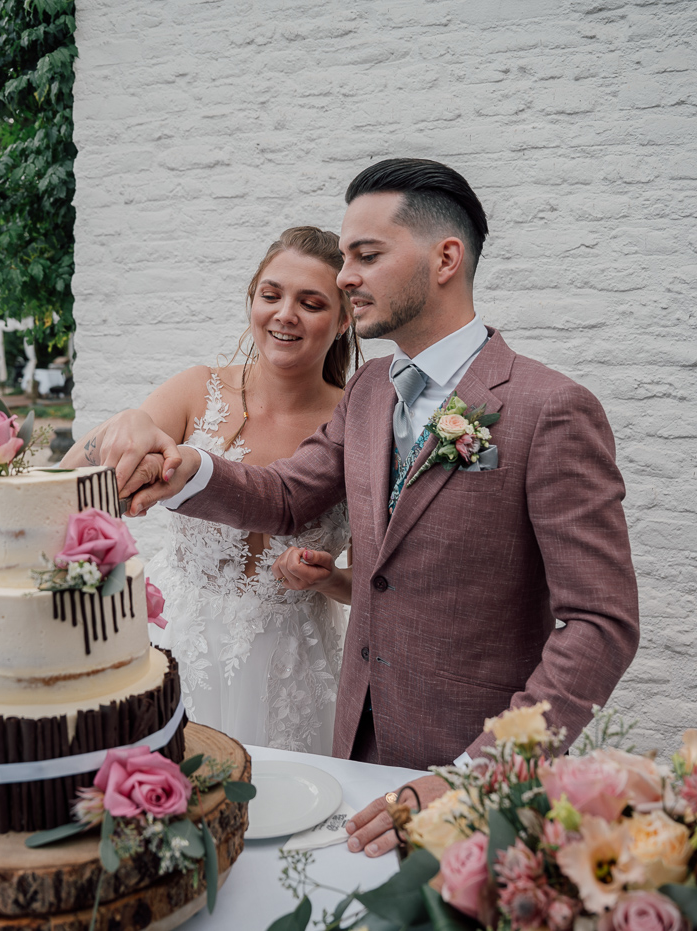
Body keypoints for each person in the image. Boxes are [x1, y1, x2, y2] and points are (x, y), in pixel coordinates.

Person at [91, 158, 640, 859]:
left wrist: (477, 776)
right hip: (351, 748)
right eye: (345, 256)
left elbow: (601, 623)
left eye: (366, 255)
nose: (345, 275)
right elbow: (287, 495)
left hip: (468, 770)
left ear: (446, 258)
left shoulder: (551, 409)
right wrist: (182, 463)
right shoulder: (372, 388)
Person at [63, 226, 362, 753]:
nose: (285, 313)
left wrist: (328, 581)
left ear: (344, 320)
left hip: (292, 663)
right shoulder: (198, 390)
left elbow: (378, 585)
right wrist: (127, 422)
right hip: (179, 642)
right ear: (253, 301)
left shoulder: (359, 421)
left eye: (311, 303)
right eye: (271, 295)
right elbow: (72, 483)